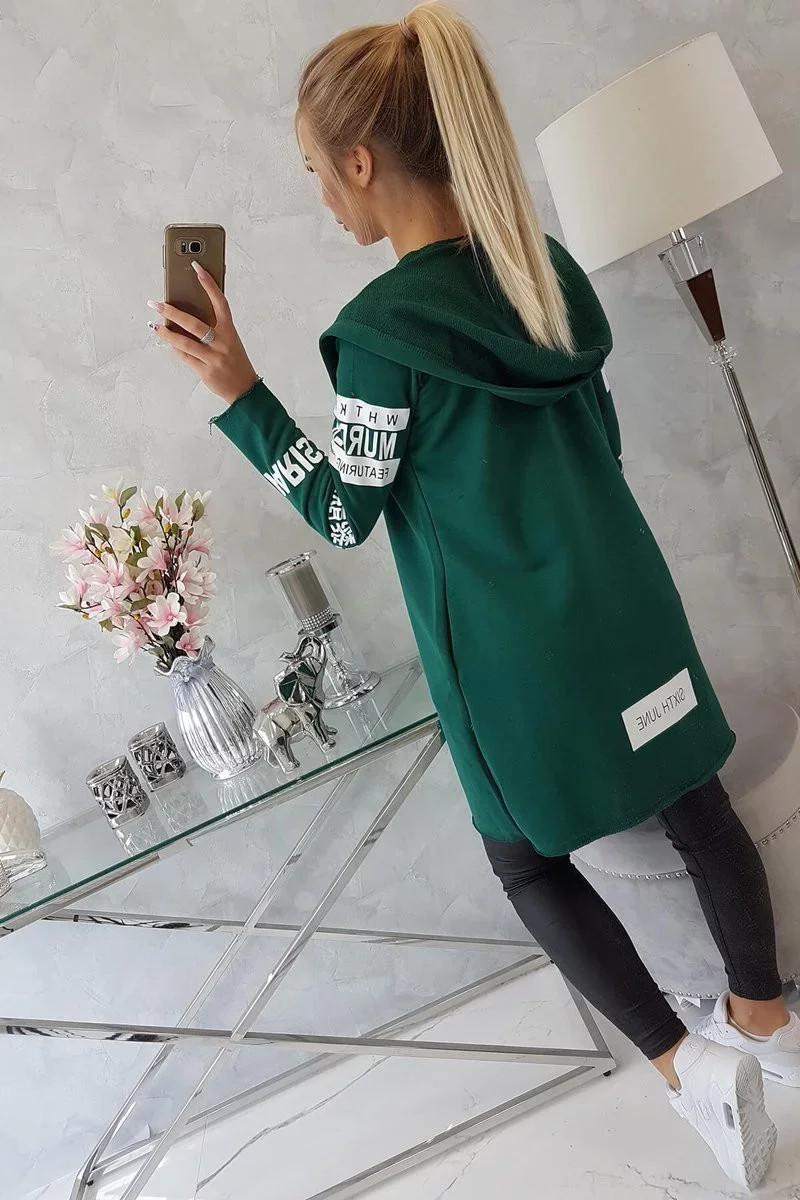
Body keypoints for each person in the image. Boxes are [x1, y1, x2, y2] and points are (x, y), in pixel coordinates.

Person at [147, 3, 798, 1188]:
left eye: (315, 170)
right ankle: (765, 1019)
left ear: (361, 161)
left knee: (526, 866)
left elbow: (344, 514)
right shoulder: (540, 270)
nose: (319, 197)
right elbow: (598, 442)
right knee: (693, 804)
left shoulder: (380, 335)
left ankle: (687, 1068)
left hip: (510, 662)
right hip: (629, 611)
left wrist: (242, 394)